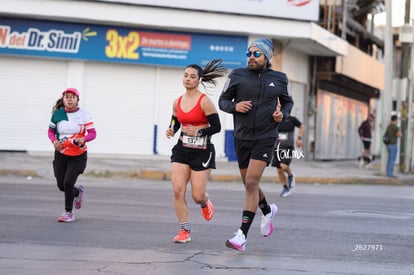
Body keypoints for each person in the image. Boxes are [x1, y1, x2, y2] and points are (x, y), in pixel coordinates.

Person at [218, 38, 293, 251]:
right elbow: (223, 101)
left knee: (251, 182)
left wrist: (282, 113)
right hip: (242, 137)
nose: (251, 57)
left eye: (256, 54)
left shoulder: (279, 79)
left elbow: (287, 102)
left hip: (266, 136)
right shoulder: (237, 76)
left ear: (266, 57)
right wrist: (235, 106)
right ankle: (268, 211)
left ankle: (241, 236)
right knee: (249, 184)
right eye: (248, 54)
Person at [166, 59, 227, 243]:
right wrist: (171, 129)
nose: (188, 79)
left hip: (202, 151)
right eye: (185, 75)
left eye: (192, 76)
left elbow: (216, 126)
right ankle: (184, 230)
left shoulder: (204, 101)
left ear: (199, 80)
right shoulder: (177, 102)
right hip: (182, 149)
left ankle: (205, 201)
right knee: (177, 190)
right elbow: (175, 120)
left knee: (197, 195)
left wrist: (199, 131)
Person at [48, 88, 97, 222]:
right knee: (61, 186)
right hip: (61, 153)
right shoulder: (57, 114)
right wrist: (54, 141)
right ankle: (77, 192)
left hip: (78, 154)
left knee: (68, 182)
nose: (70, 99)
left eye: (72, 97)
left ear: (77, 100)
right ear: (63, 99)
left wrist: (84, 139)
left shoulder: (84, 114)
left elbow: (93, 133)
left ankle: (68, 212)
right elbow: (50, 132)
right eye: (67, 97)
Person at [271, 113, 305, 197]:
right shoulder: (275, 119)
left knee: (284, 166)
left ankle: (291, 174)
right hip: (277, 147)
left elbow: (302, 126)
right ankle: (286, 188)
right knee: (279, 170)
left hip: (288, 147)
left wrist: (299, 138)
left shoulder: (291, 119)